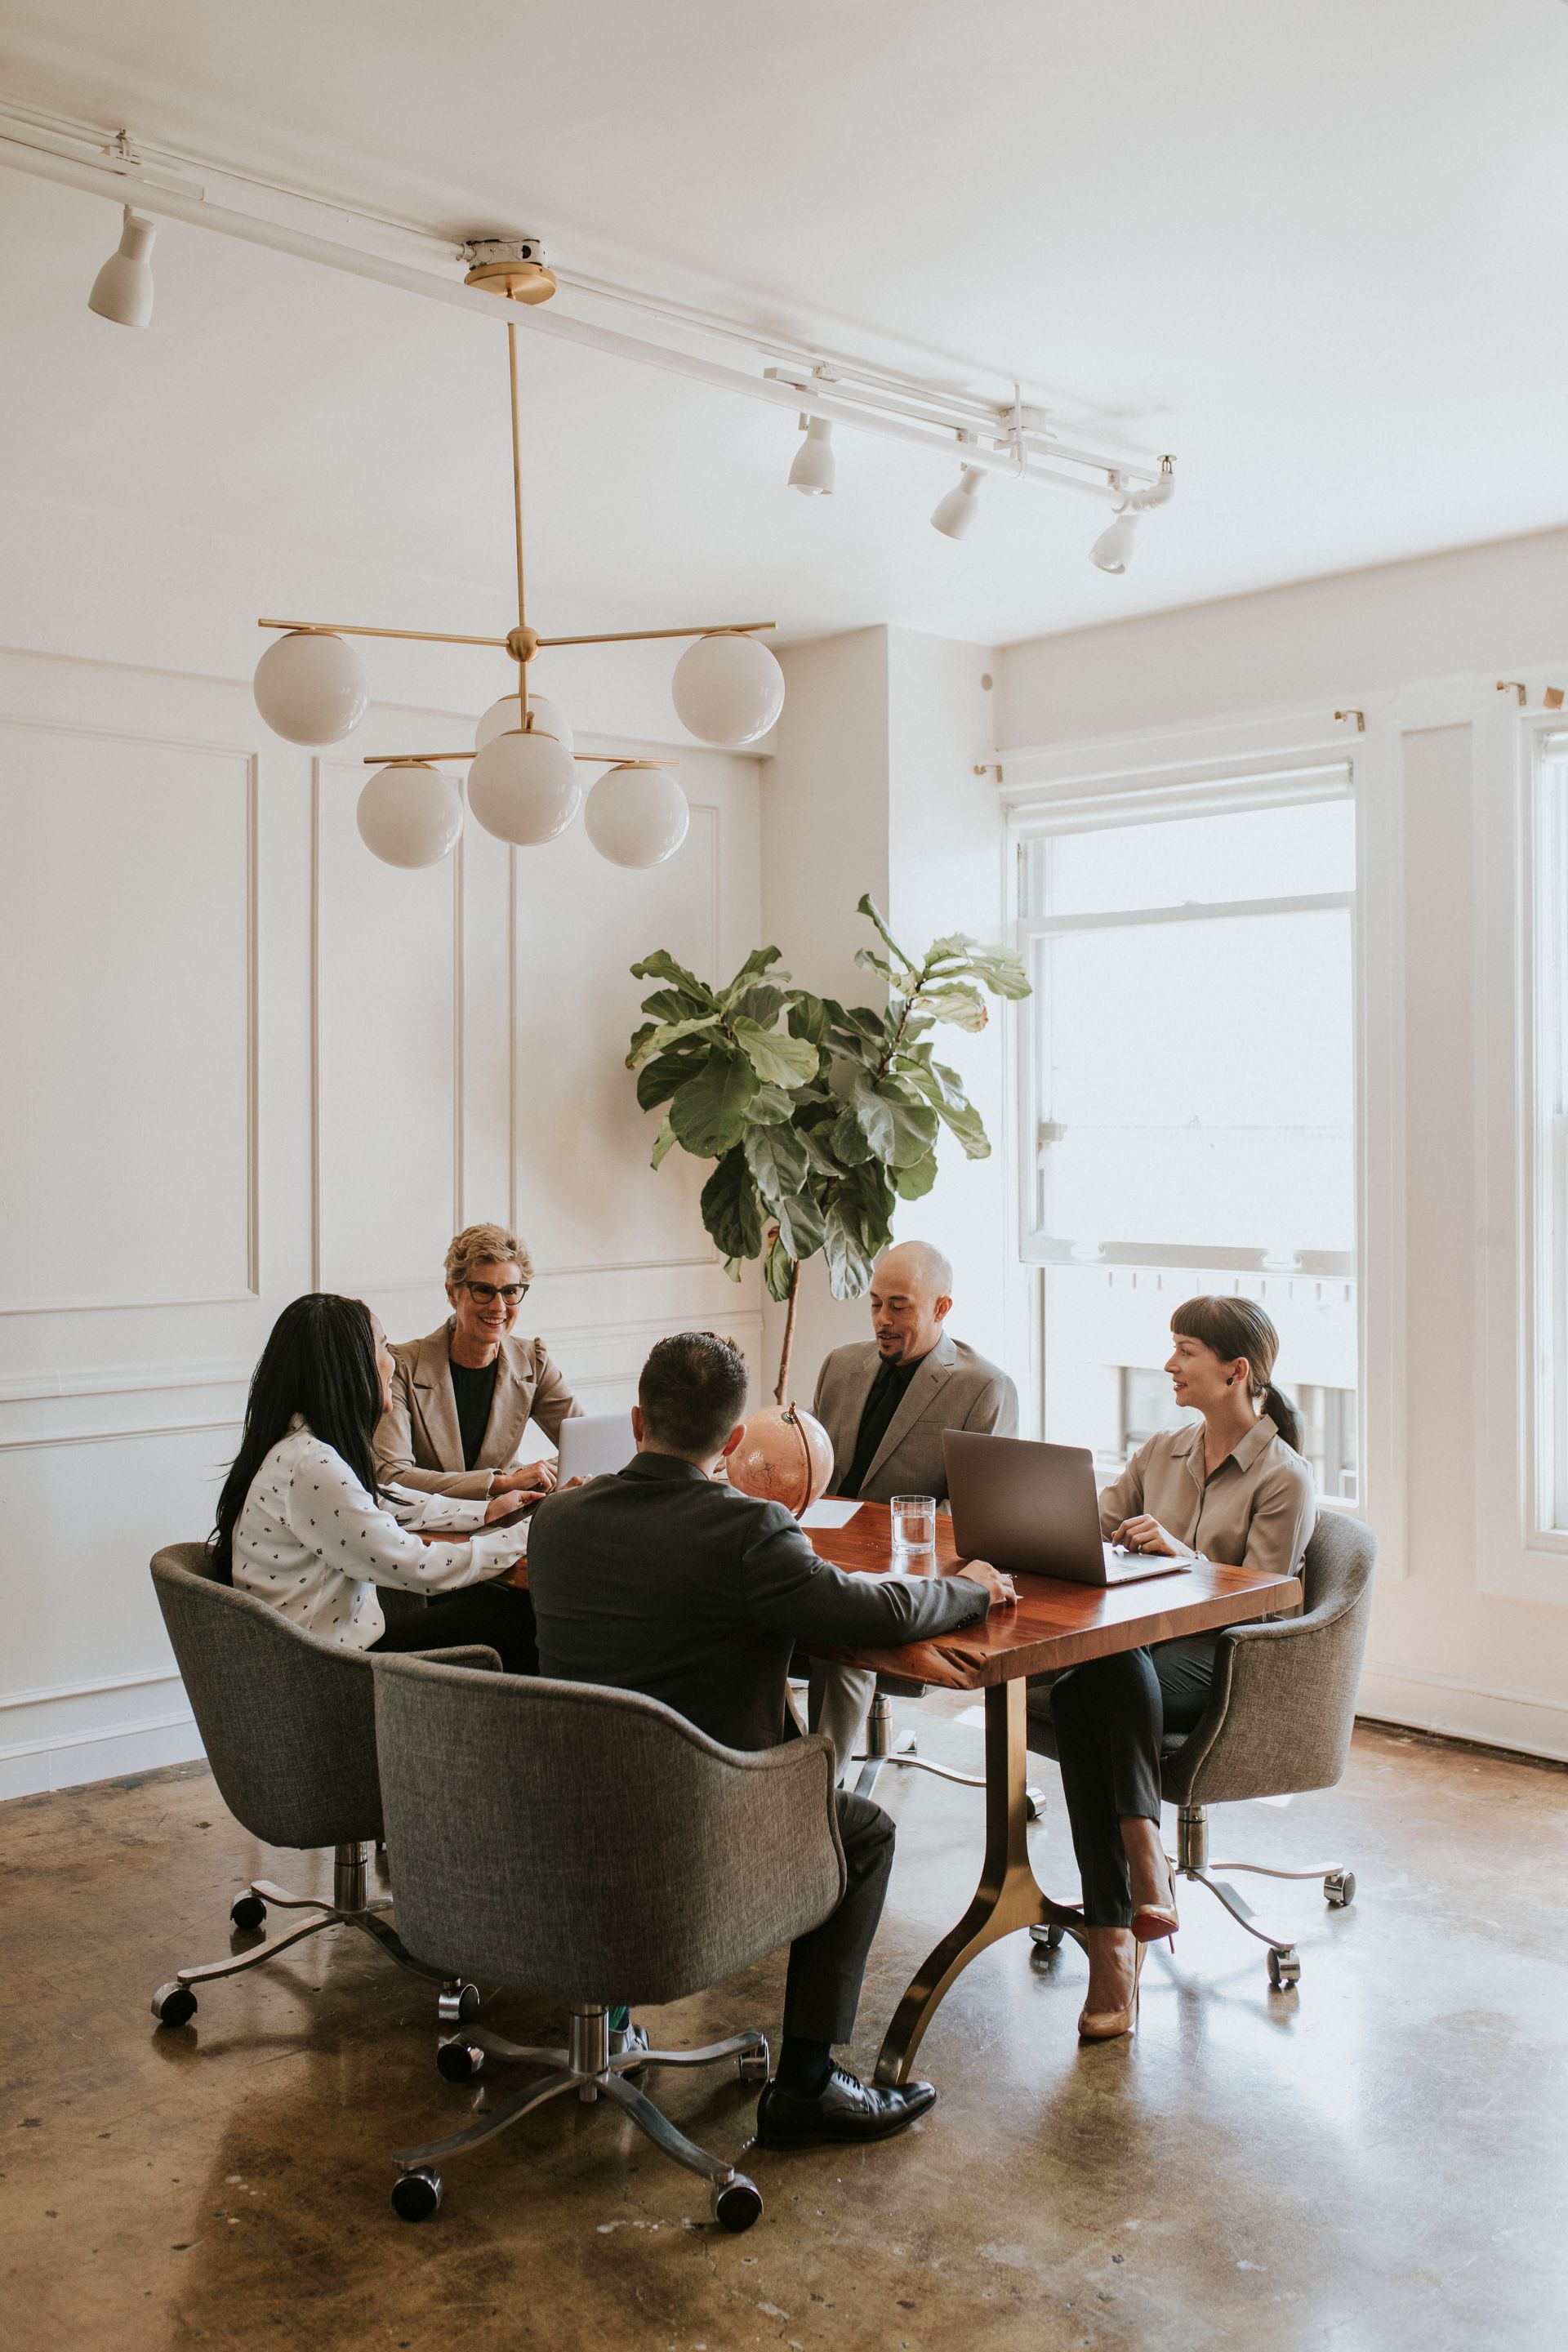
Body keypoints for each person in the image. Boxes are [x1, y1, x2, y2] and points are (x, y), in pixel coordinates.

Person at [526, 1330, 1018, 2149]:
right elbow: (879, 1614)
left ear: (640, 1420)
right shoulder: (749, 1532)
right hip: (697, 1824)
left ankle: (610, 2012)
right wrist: (964, 1591)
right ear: (731, 1443)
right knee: (862, 1833)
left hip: (563, 1810)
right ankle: (808, 2086)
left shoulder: (560, 1519)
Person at [1048, 1295, 1316, 2042]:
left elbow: (1262, 1602)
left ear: (1236, 1373)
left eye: (1186, 1350)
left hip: (1224, 1660)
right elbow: (1084, 1529)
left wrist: (1182, 1556)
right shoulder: (1158, 1451)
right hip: (1135, 1655)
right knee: (1087, 1681)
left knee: (1089, 1682)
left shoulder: (1283, 1478)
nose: (1170, 1364)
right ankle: (1141, 1865)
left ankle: (1115, 1943)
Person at [213, 1291, 541, 1674]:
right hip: (333, 1670)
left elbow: (382, 1502)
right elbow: (418, 1567)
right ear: (352, 1367)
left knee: (489, 1605)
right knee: (517, 1613)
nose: (393, 1360)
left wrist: (488, 1511)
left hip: (313, 1655)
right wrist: (527, 1535)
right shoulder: (311, 1465)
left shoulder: (297, 1446)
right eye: (384, 1346)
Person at [806, 1239, 1019, 1772]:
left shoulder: (984, 1387)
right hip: (816, 1551)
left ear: (941, 1308)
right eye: (876, 1302)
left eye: (898, 1305)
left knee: (847, 1624)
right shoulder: (841, 1365)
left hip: (908, 1570)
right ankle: (768, 1766)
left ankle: (819, 1794)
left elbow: (977, 1514)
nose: (882, 1318)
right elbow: (811, 1468)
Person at [375, 1222, 581, 1502]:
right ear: (452, 1293)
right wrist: (502, 1482)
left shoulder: (534, 1360)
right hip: (429, 1532)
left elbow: (587, 1447)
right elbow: (392, 1476)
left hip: (508, 1523)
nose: (498, 1307)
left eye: (510, 1291)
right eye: (483, 1290)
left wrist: (538, 1475)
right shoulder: (402, 1366)